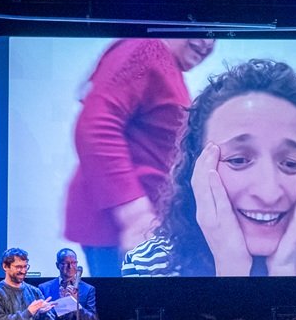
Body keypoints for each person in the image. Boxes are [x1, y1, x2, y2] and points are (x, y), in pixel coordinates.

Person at [122, 58, 296, 277]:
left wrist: (286, 271)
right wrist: (231, 269)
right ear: (196, 172)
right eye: (238, 160)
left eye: (291, 163)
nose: (268, 193)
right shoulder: (149, 266)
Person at [65, 38, 217, 275]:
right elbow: (97, 127)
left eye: (213, 34)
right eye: (199, 26)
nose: (206, 41)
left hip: (139, 227)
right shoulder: (147, 49)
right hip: (121, 229)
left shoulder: (165, 63)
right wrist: (134, 216)